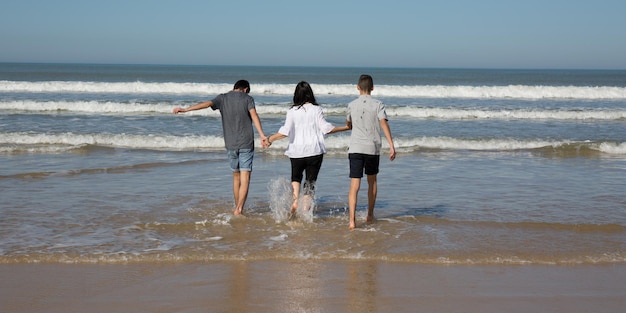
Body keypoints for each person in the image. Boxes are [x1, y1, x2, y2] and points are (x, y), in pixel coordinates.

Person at [173, 80, 268, 216]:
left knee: (236, 177)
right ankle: (239, 209)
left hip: (230, 143)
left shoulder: (222, 98)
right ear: (246, 89)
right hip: (246, 143)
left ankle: (237, 207)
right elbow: (254, 115)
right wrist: (262, 135)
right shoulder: (248, 99)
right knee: (245, 176)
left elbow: (206, 104)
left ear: (235, 87)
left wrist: (185, 109)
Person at [265, 81, 350, 215]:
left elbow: (285, 132)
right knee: (310, 183)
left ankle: (295, 202)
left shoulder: (292, 111)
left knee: (296, 178)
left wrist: (270, 139)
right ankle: (305, 211)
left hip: (296, 152)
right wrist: (345, 127)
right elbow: (326, 129)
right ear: (310, 94)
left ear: (296, 95)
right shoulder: (317, 109)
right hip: (315, 152)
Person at [346, 74, 396, 229]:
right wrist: (391, 145)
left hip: (355, 148)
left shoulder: (351, 105)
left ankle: (352, 221)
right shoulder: (378, 104)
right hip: (371, 148)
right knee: (372, 182)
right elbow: (383, 124)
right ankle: (369, 214)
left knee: (355, 185)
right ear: (373, 88)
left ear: (357, 87)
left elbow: (349, 124)